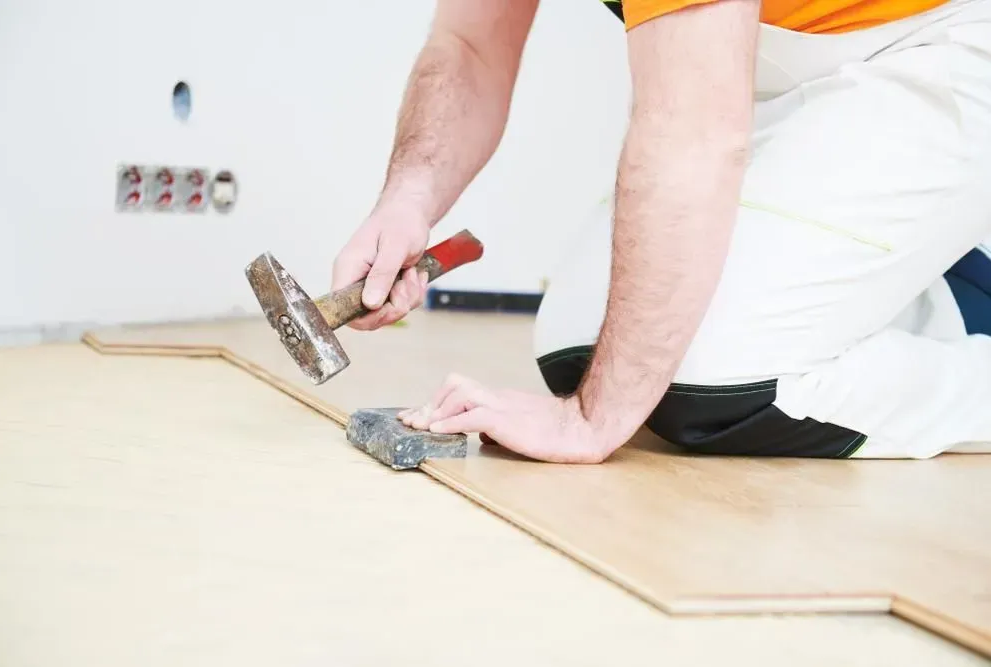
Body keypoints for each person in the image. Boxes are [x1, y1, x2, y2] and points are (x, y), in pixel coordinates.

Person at [330, 0, 991, 464]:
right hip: (770, 70)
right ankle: (941, 291)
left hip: (937, 47)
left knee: (706, 384)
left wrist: (588, 422)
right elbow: (470, 45)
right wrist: (407, 199)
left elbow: (694, 135)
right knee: (580, 343)